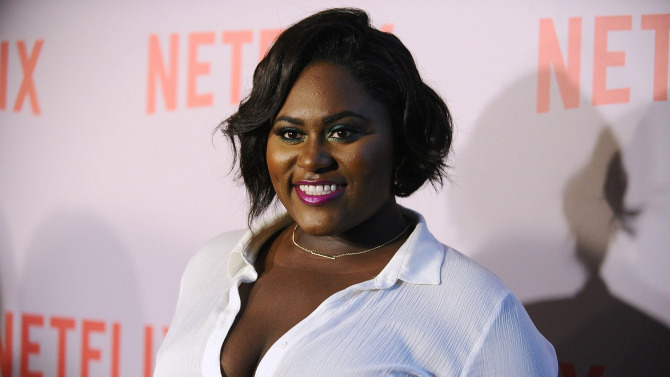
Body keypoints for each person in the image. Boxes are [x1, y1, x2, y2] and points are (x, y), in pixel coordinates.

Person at [154, 8, 557, 377]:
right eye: (291, 134)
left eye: (342, 132)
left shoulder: (478, 311)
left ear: (401, 140)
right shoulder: (214, 264)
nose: (312, 159)